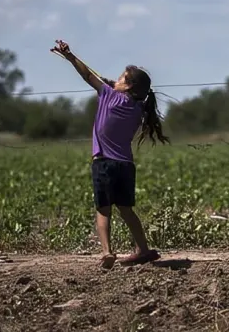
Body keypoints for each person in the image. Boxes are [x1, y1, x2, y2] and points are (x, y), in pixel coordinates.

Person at [50, 39, 170, 269]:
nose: (117, 78)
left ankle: (107, 252)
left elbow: (87, 76)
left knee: (103, 210)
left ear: (128, 86)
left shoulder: (108, 95)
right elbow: (117, 90)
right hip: (125, 165)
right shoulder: (138, 109)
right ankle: (142, 249)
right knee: (126, 209)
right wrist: (112, 85)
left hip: (104, 163)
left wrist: (70, 56)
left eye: (121, 77)